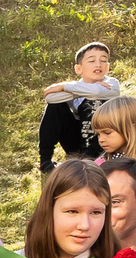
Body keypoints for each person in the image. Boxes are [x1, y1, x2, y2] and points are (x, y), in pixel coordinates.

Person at [39, 41, 122, 172]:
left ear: (108, 67)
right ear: (79, 69)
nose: (98, 64)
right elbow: (50, 98)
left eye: (103, 60)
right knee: (55, 107)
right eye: (92, 60)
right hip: (77, 142)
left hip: (103, 143)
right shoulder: (75, 87)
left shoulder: (112, 83)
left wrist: (64, 87)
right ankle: (45, 161)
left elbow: (97, 93)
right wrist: (79, 91)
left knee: (93, 103)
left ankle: (93, 158)